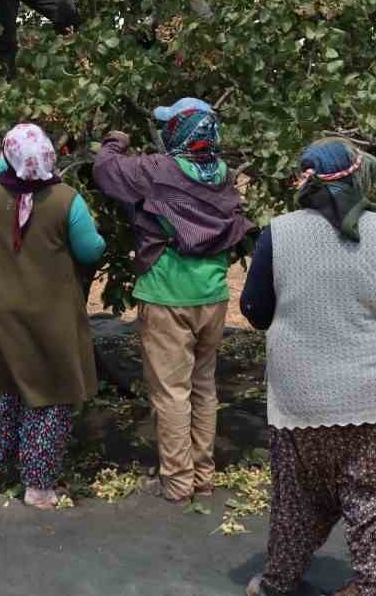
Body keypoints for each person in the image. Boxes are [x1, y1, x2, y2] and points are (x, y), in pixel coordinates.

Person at [240, 138, 376, 596]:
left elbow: (255, 311)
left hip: (300, 402)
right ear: (359, 179)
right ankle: (375, 585)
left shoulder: (277, 233)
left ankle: (278, 581)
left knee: (298, 498)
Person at [92, 97, 254, 503]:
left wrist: (114, 141)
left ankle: (178, 481)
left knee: (171, 392)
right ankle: (203, 474)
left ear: (178, 132)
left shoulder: (158, 170)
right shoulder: (219, 172)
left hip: (167, 297)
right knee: (203, 386)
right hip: (212, 296)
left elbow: (106, 171)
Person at [0, 122, 106, 509]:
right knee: (48, 394)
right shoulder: (65, 199)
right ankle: (38, 487)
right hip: (47, 315)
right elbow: (91, 251)